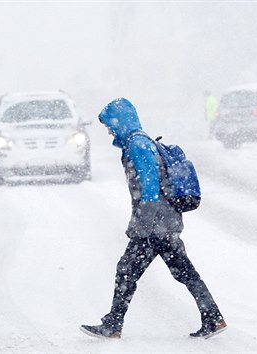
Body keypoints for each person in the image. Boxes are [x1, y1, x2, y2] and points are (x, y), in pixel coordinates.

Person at [80, 98, 226, 339]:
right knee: (181, 271)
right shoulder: (139, 141)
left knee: (127, 270)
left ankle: (114, 324)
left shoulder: (137, 144)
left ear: (121, 121)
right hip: (163, 222)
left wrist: (142, 226)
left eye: (110, 124)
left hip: (155, 225)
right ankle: (213, 317)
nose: (108, 130)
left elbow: (150, 189)